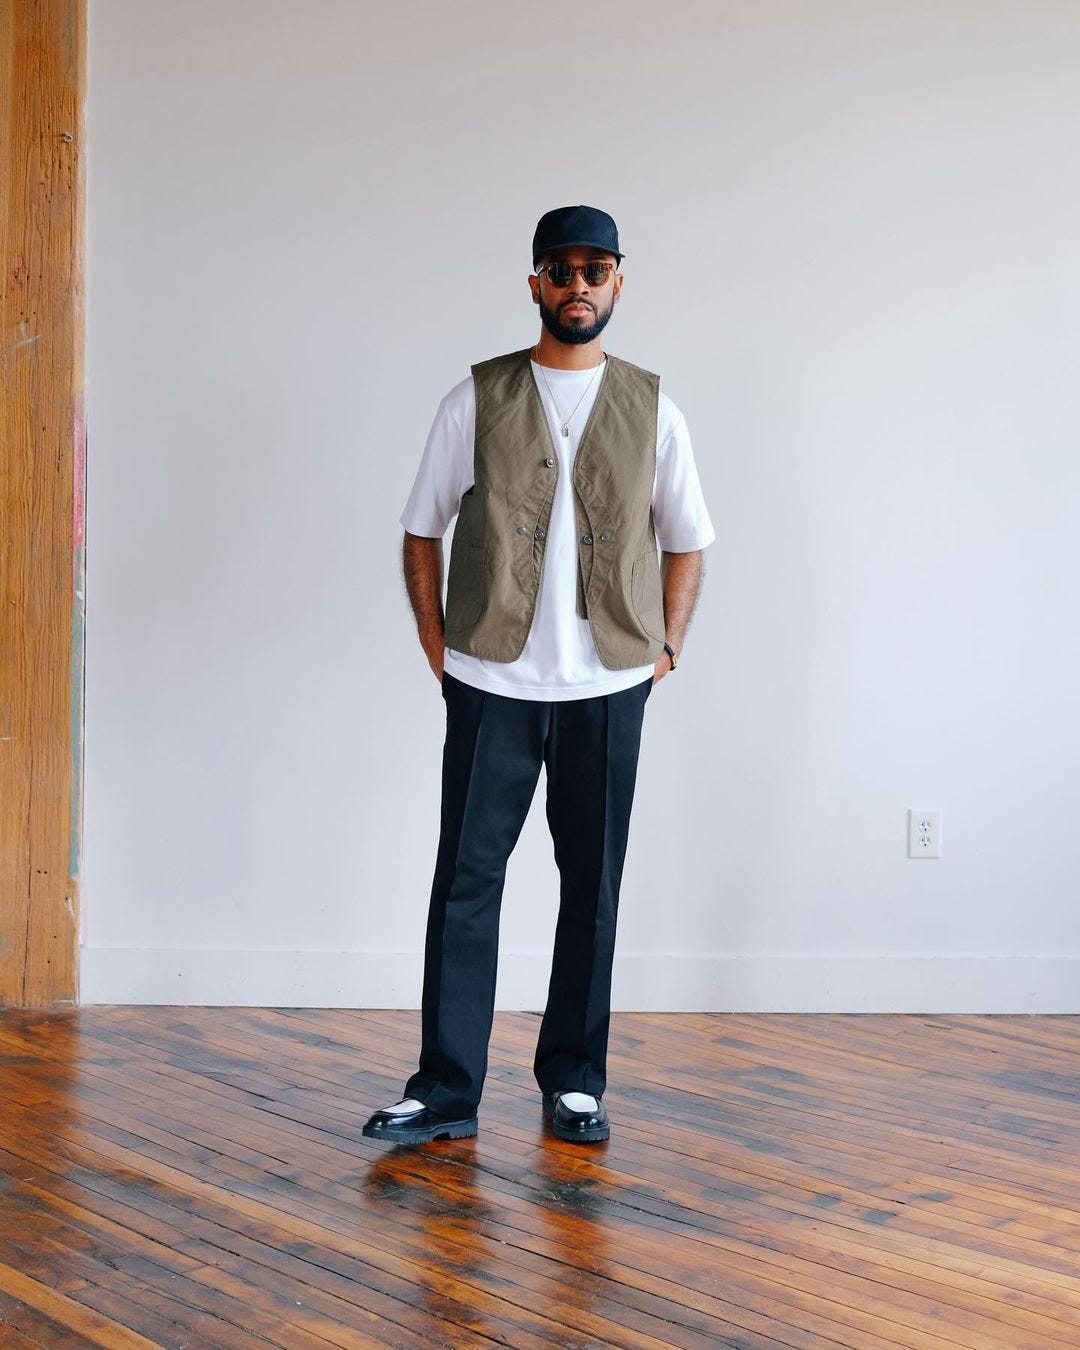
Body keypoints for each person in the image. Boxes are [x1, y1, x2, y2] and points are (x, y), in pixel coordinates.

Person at [363, 205, 715, 1145]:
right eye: (559, 270)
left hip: (609, 687)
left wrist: (667, 647)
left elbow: (688, 541)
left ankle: (575, 1080)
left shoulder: (653, 405)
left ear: (617, 284)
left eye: (594, 269)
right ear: (534, 285)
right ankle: (445, 1091)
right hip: (493, 685)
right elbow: (420, 528)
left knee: (590, 886)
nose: (577, 286)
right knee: (464, 884)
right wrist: (441, 646)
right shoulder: (475, 398)